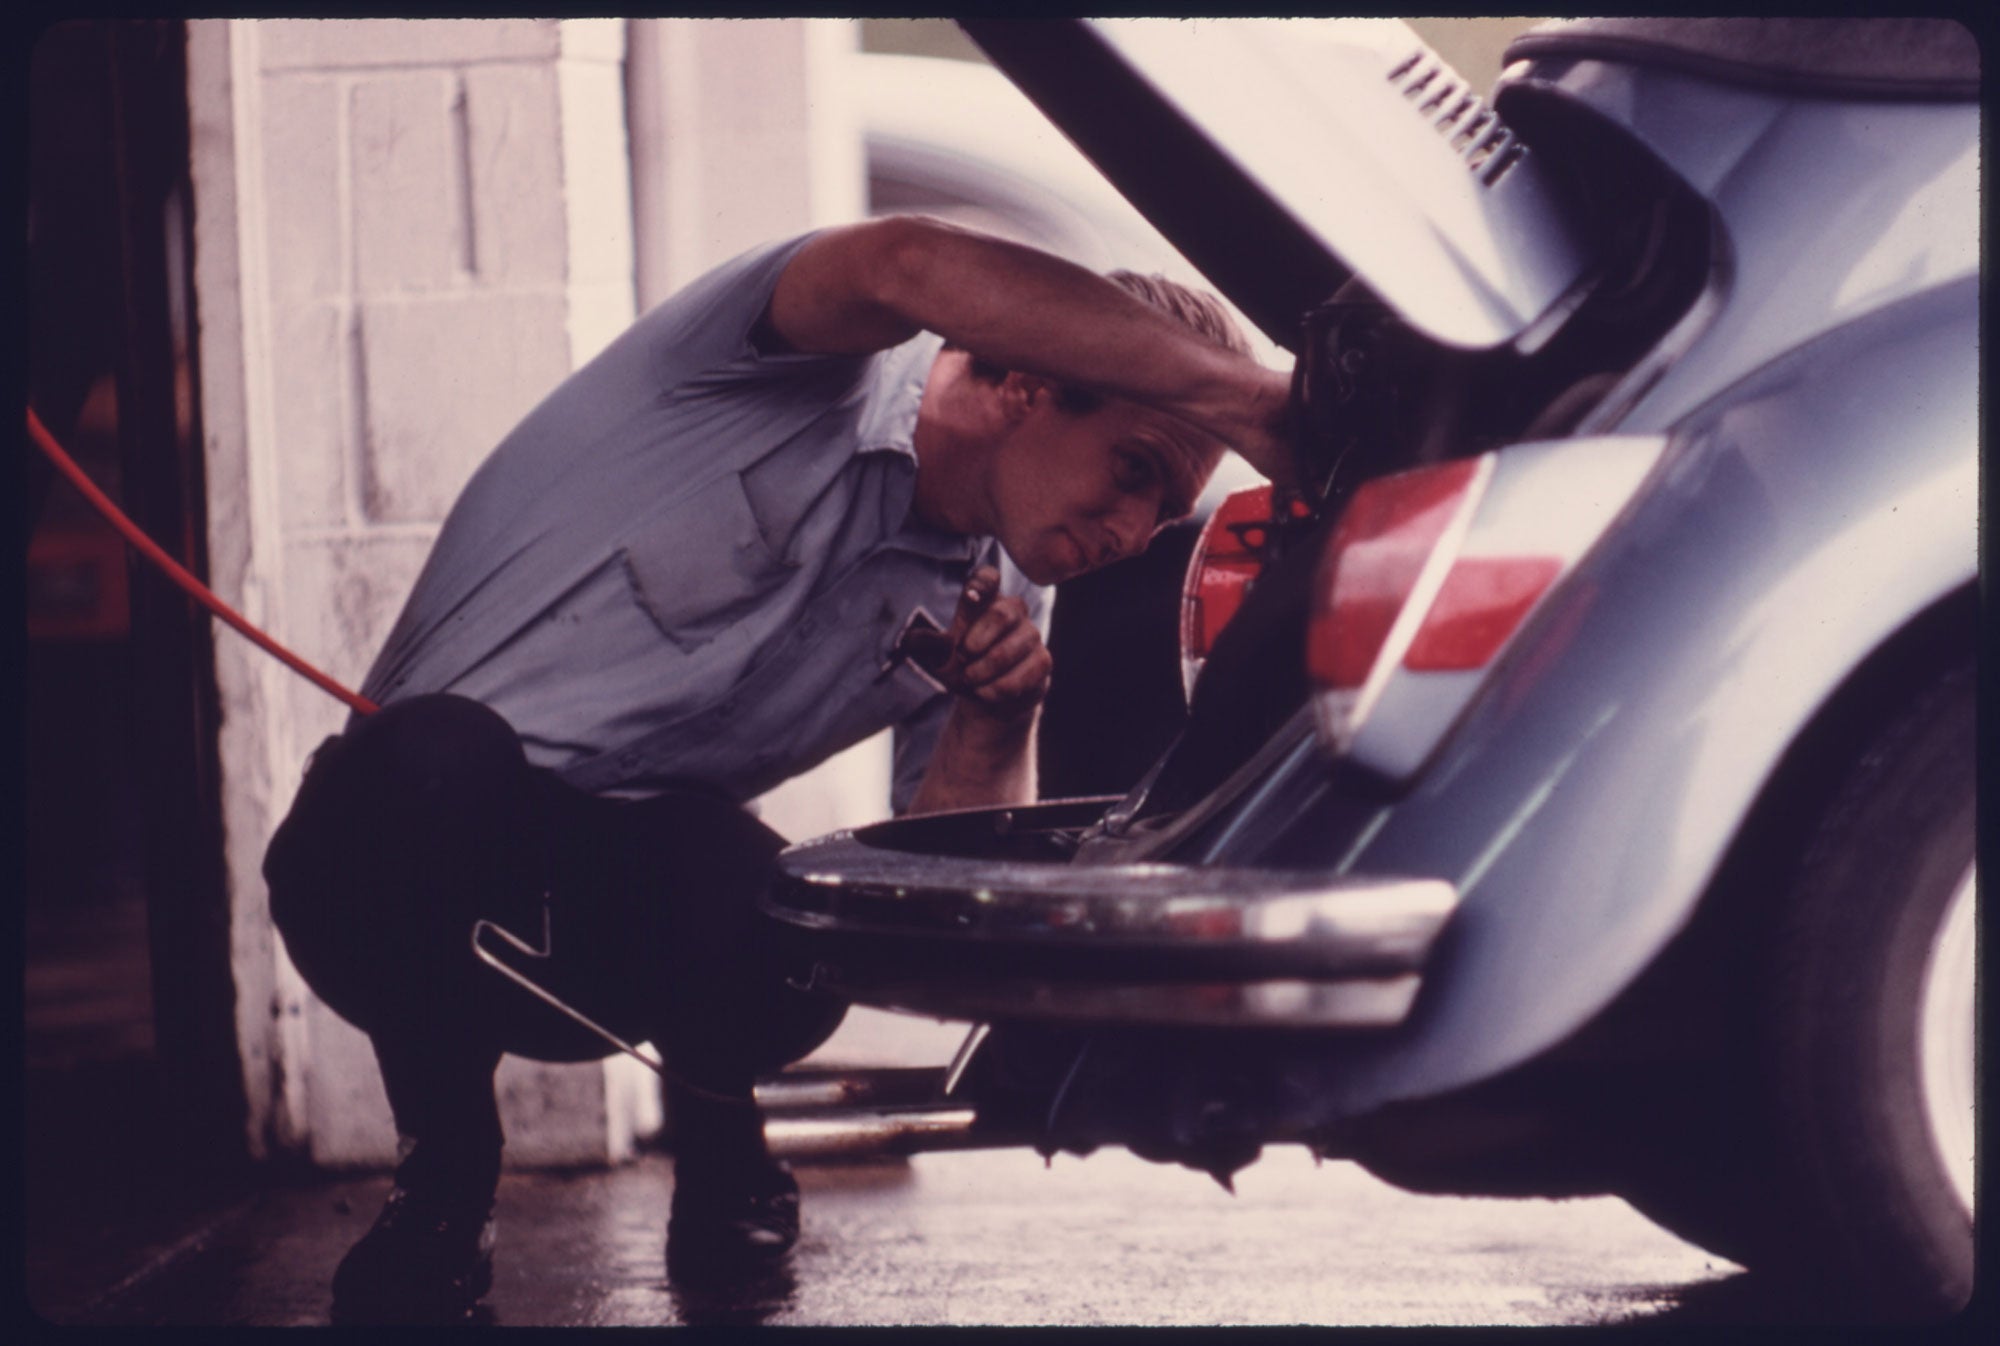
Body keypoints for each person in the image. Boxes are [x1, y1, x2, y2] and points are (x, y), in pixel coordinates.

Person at [262, 214, 1290, 1322]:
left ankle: (722, 1140)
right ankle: (442, 1187)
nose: (1136, 530)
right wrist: (1255, 400)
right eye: (1132, 470)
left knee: (761, 892)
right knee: (430, 759)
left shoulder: (999, 599)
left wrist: (992, 722)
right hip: (402, 867)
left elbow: (929, 917)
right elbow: (906, 261)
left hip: (611, 920)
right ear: (1028, 384)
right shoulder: (778, 365)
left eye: (1163, 508)